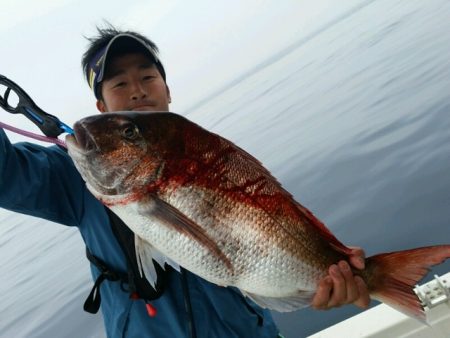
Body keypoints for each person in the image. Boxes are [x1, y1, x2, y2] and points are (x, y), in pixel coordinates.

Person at [0, 25, 369, 338]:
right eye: (119, 83)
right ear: (101, 107)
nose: (137, 90)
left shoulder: (203, 153)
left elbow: (272, 219)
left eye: (148, 76)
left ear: (167, 88)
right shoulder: (71, 175)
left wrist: (329, 264)